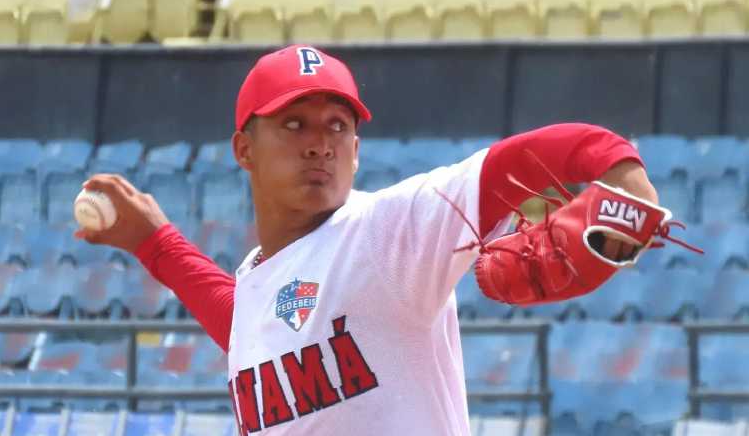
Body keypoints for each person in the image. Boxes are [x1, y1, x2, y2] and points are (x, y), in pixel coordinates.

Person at [75, 45, 657, 435]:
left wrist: (622, 170)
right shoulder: (261, 277)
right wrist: (156, 246)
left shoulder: (391, 231)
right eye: (293, 123)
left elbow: (535, 154)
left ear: (356, 148)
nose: (319, 143)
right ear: (243, 149)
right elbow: (246, 322)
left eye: (338, 125)